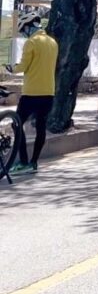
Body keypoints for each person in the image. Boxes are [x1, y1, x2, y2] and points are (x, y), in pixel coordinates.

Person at [6, 13, 58, 174]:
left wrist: (11, 68)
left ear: (28, 26)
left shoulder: (32, 42)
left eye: (23, 30)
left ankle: (22, 161)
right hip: (48, 91)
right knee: (41, 127)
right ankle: (34, 162)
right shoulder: (52, 42)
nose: (23, 33)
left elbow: (23, 66)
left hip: (31, 92)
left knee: (16, 124)